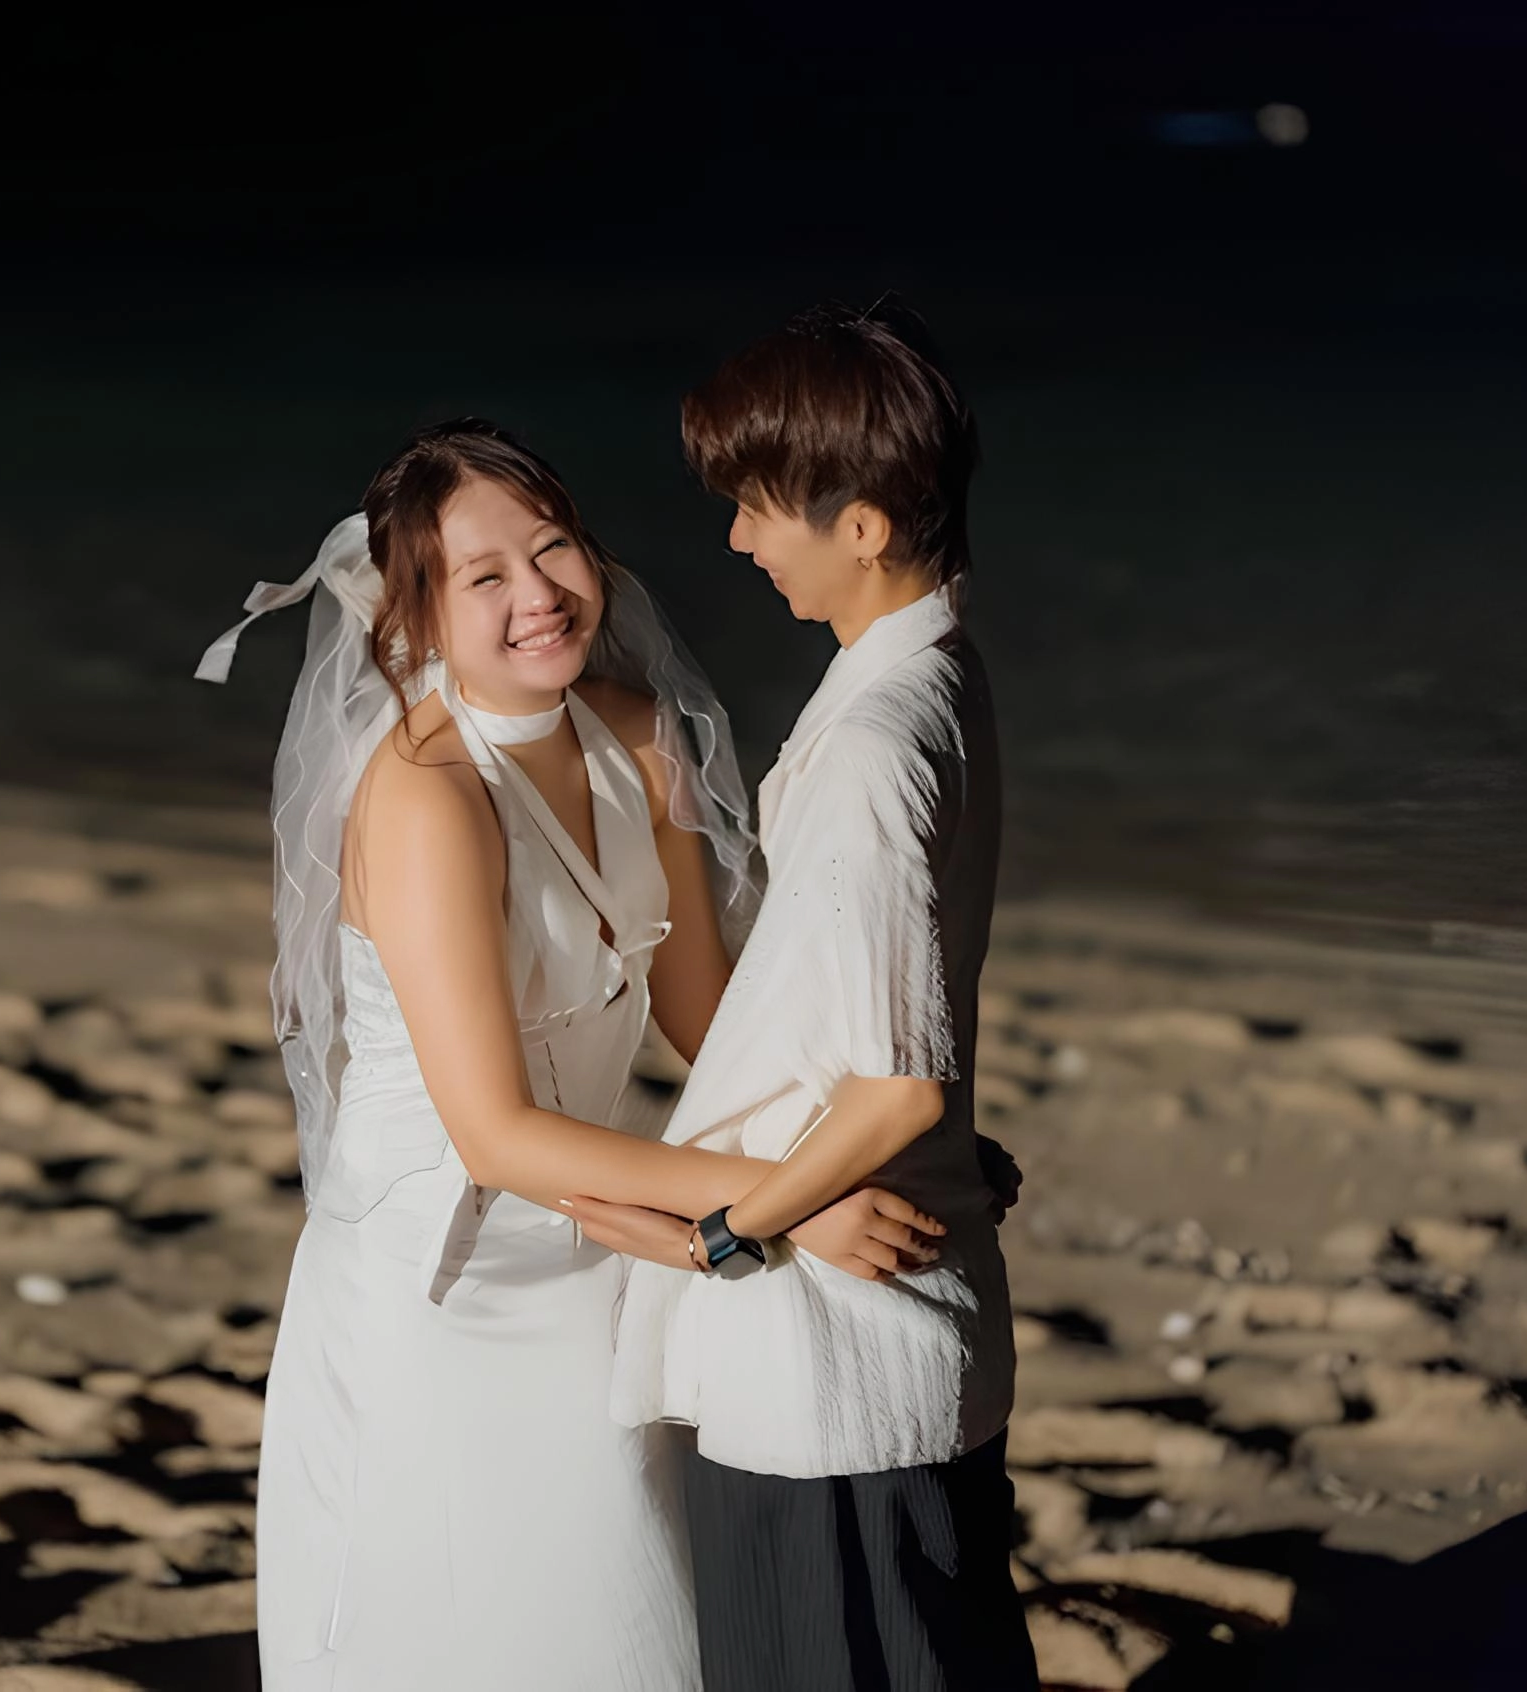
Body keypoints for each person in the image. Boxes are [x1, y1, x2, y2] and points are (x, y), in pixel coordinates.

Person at [197, 419, 945, 1692]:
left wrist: (853, 1140)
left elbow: (705, 1019)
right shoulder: (426, 795)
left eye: (552, 549)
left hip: (598, 1233)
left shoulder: (639, 737)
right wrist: (787, 1204)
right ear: (415, 616)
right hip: (447, 1275)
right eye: (483, 576)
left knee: (636, 1609)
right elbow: (494, 1138)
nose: (538, 595)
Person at [594, 303, 1040, 1691]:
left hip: (833, 1360)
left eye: (758, 507)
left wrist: (736, 1231)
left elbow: (898, 1085)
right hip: (899, 1327)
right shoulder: (937, 675)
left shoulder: (874, 742)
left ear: (863, 526)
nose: (739, 540)